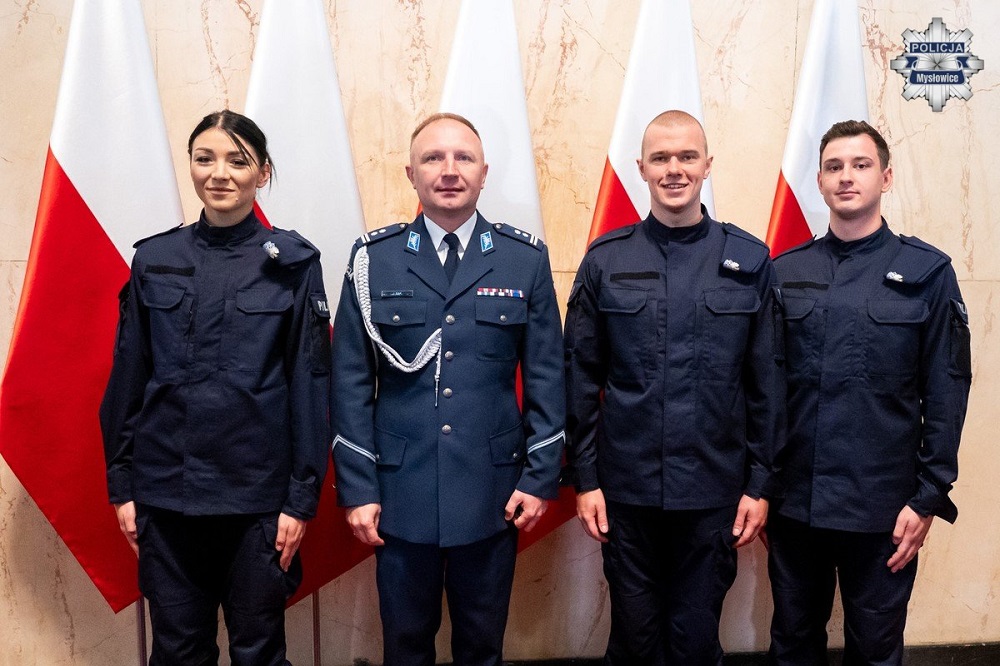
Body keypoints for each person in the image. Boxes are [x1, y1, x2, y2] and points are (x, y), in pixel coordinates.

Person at [331, 112, 565, 666]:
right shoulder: (374, 259)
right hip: (399, 492)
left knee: (482, 647)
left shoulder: (522, 258)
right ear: (410, 173)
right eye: (433, 158)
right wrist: (359, 488)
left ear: (484, 173)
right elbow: (350, 379)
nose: (449, 170)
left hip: (493, 493)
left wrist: (538, 478)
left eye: (463, 158)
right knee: (405, 647)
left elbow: (548, 376)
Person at [100, 110, 331, 665]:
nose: (219, 173)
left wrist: (301, 499)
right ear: (192, 167)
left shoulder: (293, 265)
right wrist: (123, 485)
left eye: (238, 160)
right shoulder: (156, 260)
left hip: (256, 501)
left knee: (258, 652)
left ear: (263, 173)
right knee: (178, 652)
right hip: (166, 496)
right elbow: (127, 380)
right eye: (205, 159)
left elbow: (309, 387)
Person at [563, 109, 784, 664]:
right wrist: (585, 479)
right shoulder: (606, 261)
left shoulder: (749, 261)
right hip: (627, 493)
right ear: (641, 168)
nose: (674, 169)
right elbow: (579, 377)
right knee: (635, 642)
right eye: (661, 158)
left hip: (714, 492)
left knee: (694, 641)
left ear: (708, 165)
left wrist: (759, 485)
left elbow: (767, 384)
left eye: (687, 156)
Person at [767, 120, 971, 665]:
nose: (846, 177)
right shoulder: (786, 273)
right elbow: (762, 390)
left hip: (883, 507)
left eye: (860, 165)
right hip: (795, 504)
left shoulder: (927, 271)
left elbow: (947, 392)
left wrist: (928, 495)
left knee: (876, 649)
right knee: (791, 644)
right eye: (834, 167)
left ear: (886, 176)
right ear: (819, 180)